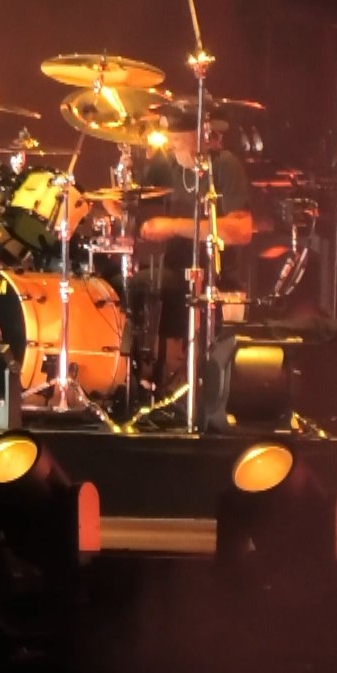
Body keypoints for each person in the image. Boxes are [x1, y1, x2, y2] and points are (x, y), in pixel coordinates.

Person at [115, 102, 255, 430]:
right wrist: (115, 202)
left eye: (179, 137)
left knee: (146, 285)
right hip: (173, 268)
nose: (172, 143)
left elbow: (241, 230)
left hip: (215, 277)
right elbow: (130, 201)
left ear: (200, 134)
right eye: (170, 137)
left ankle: (175, 383)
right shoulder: (167, 163)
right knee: (121, 282)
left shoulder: (224, 166)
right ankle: (132, 384)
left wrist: (174, 226)